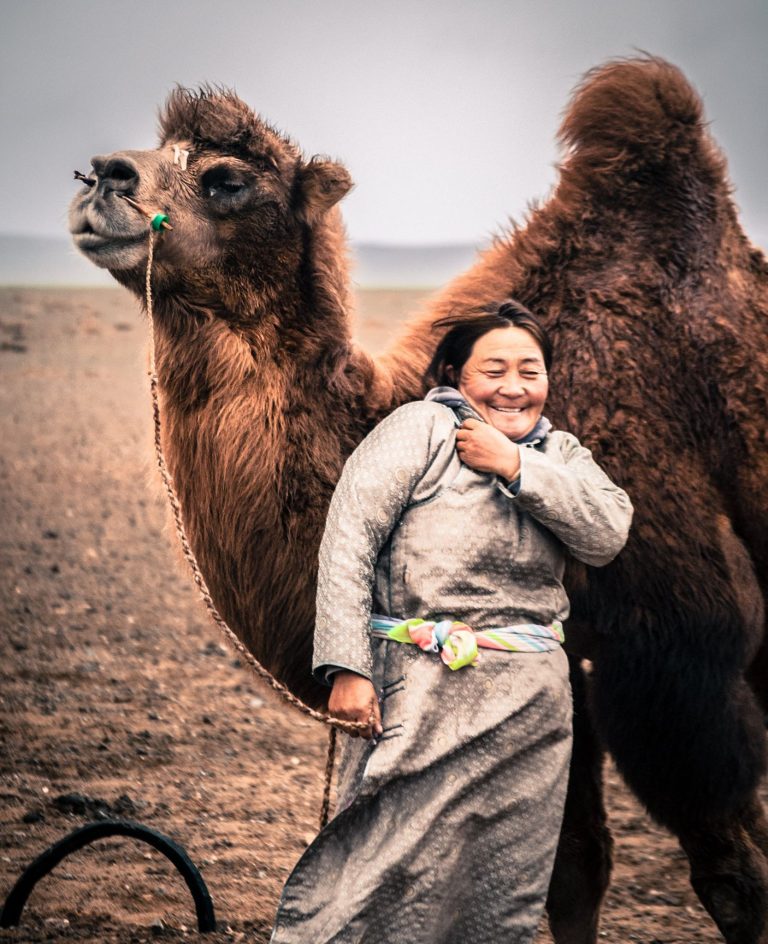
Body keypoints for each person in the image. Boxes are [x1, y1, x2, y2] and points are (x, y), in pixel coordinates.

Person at [271, 299, 633, 943]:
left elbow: (606, 533)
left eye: (531, 369)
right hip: (418, 687)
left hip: (529, 707)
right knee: (384, 860)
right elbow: (349, 539)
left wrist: (515, 464)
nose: (514, 386)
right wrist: (348, 667)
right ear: (456, 375)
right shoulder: (419, 431)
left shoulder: (561, 455)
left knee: (500, 878)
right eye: (494, 369)